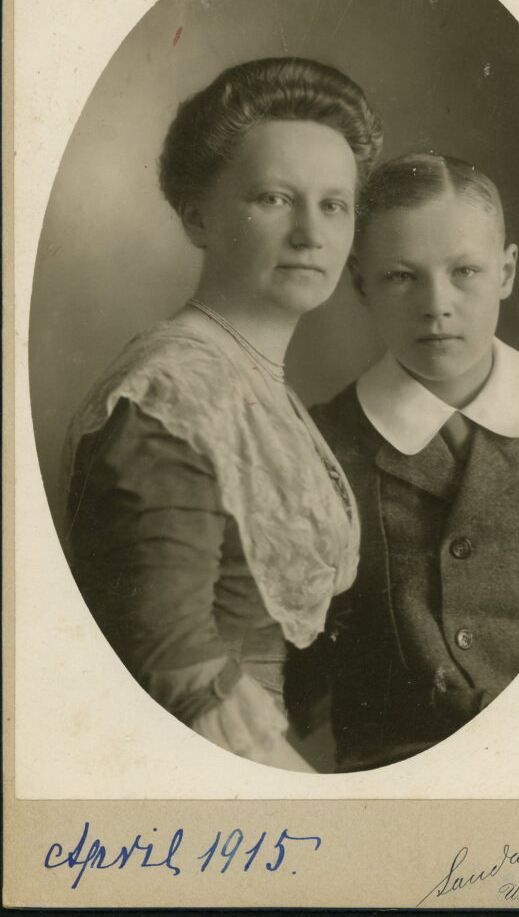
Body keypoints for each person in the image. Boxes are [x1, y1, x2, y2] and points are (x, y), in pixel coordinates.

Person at [63, 57, 383, 771]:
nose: (311, 233)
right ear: (197, 216)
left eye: (334, 204)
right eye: (273, 198)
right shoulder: (170, 393)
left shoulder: (251, 382)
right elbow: (175, 665)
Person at [305, 152, 519, 772]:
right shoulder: (322, 444)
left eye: (465, 271)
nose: (436, 304)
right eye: (401, 276)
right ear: (359, 282)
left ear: (505, 272)